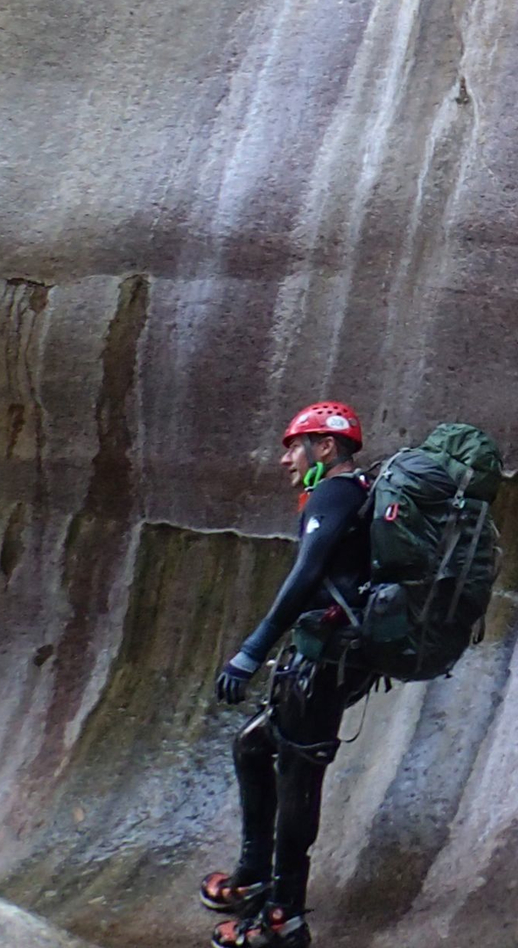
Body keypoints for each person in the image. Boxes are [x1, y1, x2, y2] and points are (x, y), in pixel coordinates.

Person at [198, 401, 377, 948]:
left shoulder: (336, 493)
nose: (284, 460)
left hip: (324, 663)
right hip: (324, 655)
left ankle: (284, 919)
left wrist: (250, 651)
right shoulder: (355, 493)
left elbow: (306, 574)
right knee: (253, 749)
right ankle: (255, 874)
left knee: (299, 781)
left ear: (325, 447)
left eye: (292, 446)